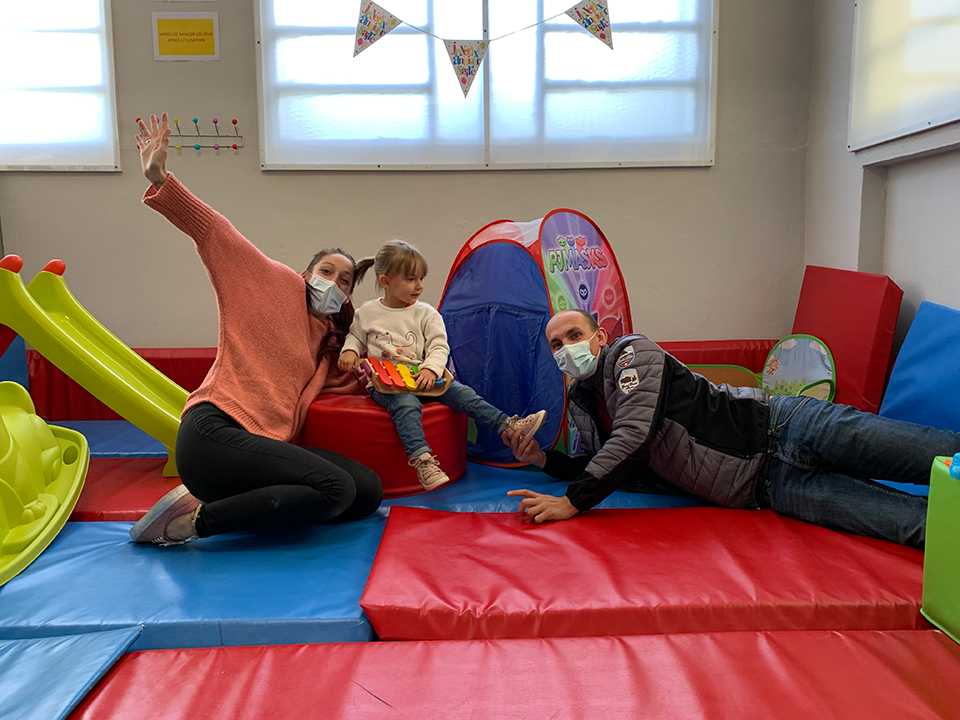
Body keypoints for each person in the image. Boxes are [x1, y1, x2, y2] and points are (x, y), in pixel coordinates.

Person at [128, 113, 383, 546]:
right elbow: (216, 234)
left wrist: (383, 375)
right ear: (305, 272)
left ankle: (252, 507)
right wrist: (162, 180)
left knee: (366, 492)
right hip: (215, 435)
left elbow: (351, 381)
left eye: (344, 280)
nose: (334, 283)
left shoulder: (327, 341)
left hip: (261, 450)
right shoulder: (274, 284)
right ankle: (190, 524)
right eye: (326, 270)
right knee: (335, 489)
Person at [505, 309, 959, 547]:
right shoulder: (583, 400)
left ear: (600, 336)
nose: (567, 348)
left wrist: (572, 502)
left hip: (784, 426)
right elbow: (605, 463)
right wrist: (543, 460)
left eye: (575, 336)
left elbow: (634, 439)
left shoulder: (630, 354)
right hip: (768, 488)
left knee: (931, 454)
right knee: (913, 526)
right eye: (557, 345)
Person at [338, 239, 547, 489]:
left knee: (464, 394)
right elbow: (355, 337)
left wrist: (430, 368)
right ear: (386, 281)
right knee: (406, 404)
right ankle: (423, 460)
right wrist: (349, 351)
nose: (419, 286)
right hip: (388, 385)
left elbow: (439, 345)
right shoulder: (367, 313)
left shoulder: (426, 313)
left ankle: (509, 425)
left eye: (421, 279)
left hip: (422, 377)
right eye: (411, 279)